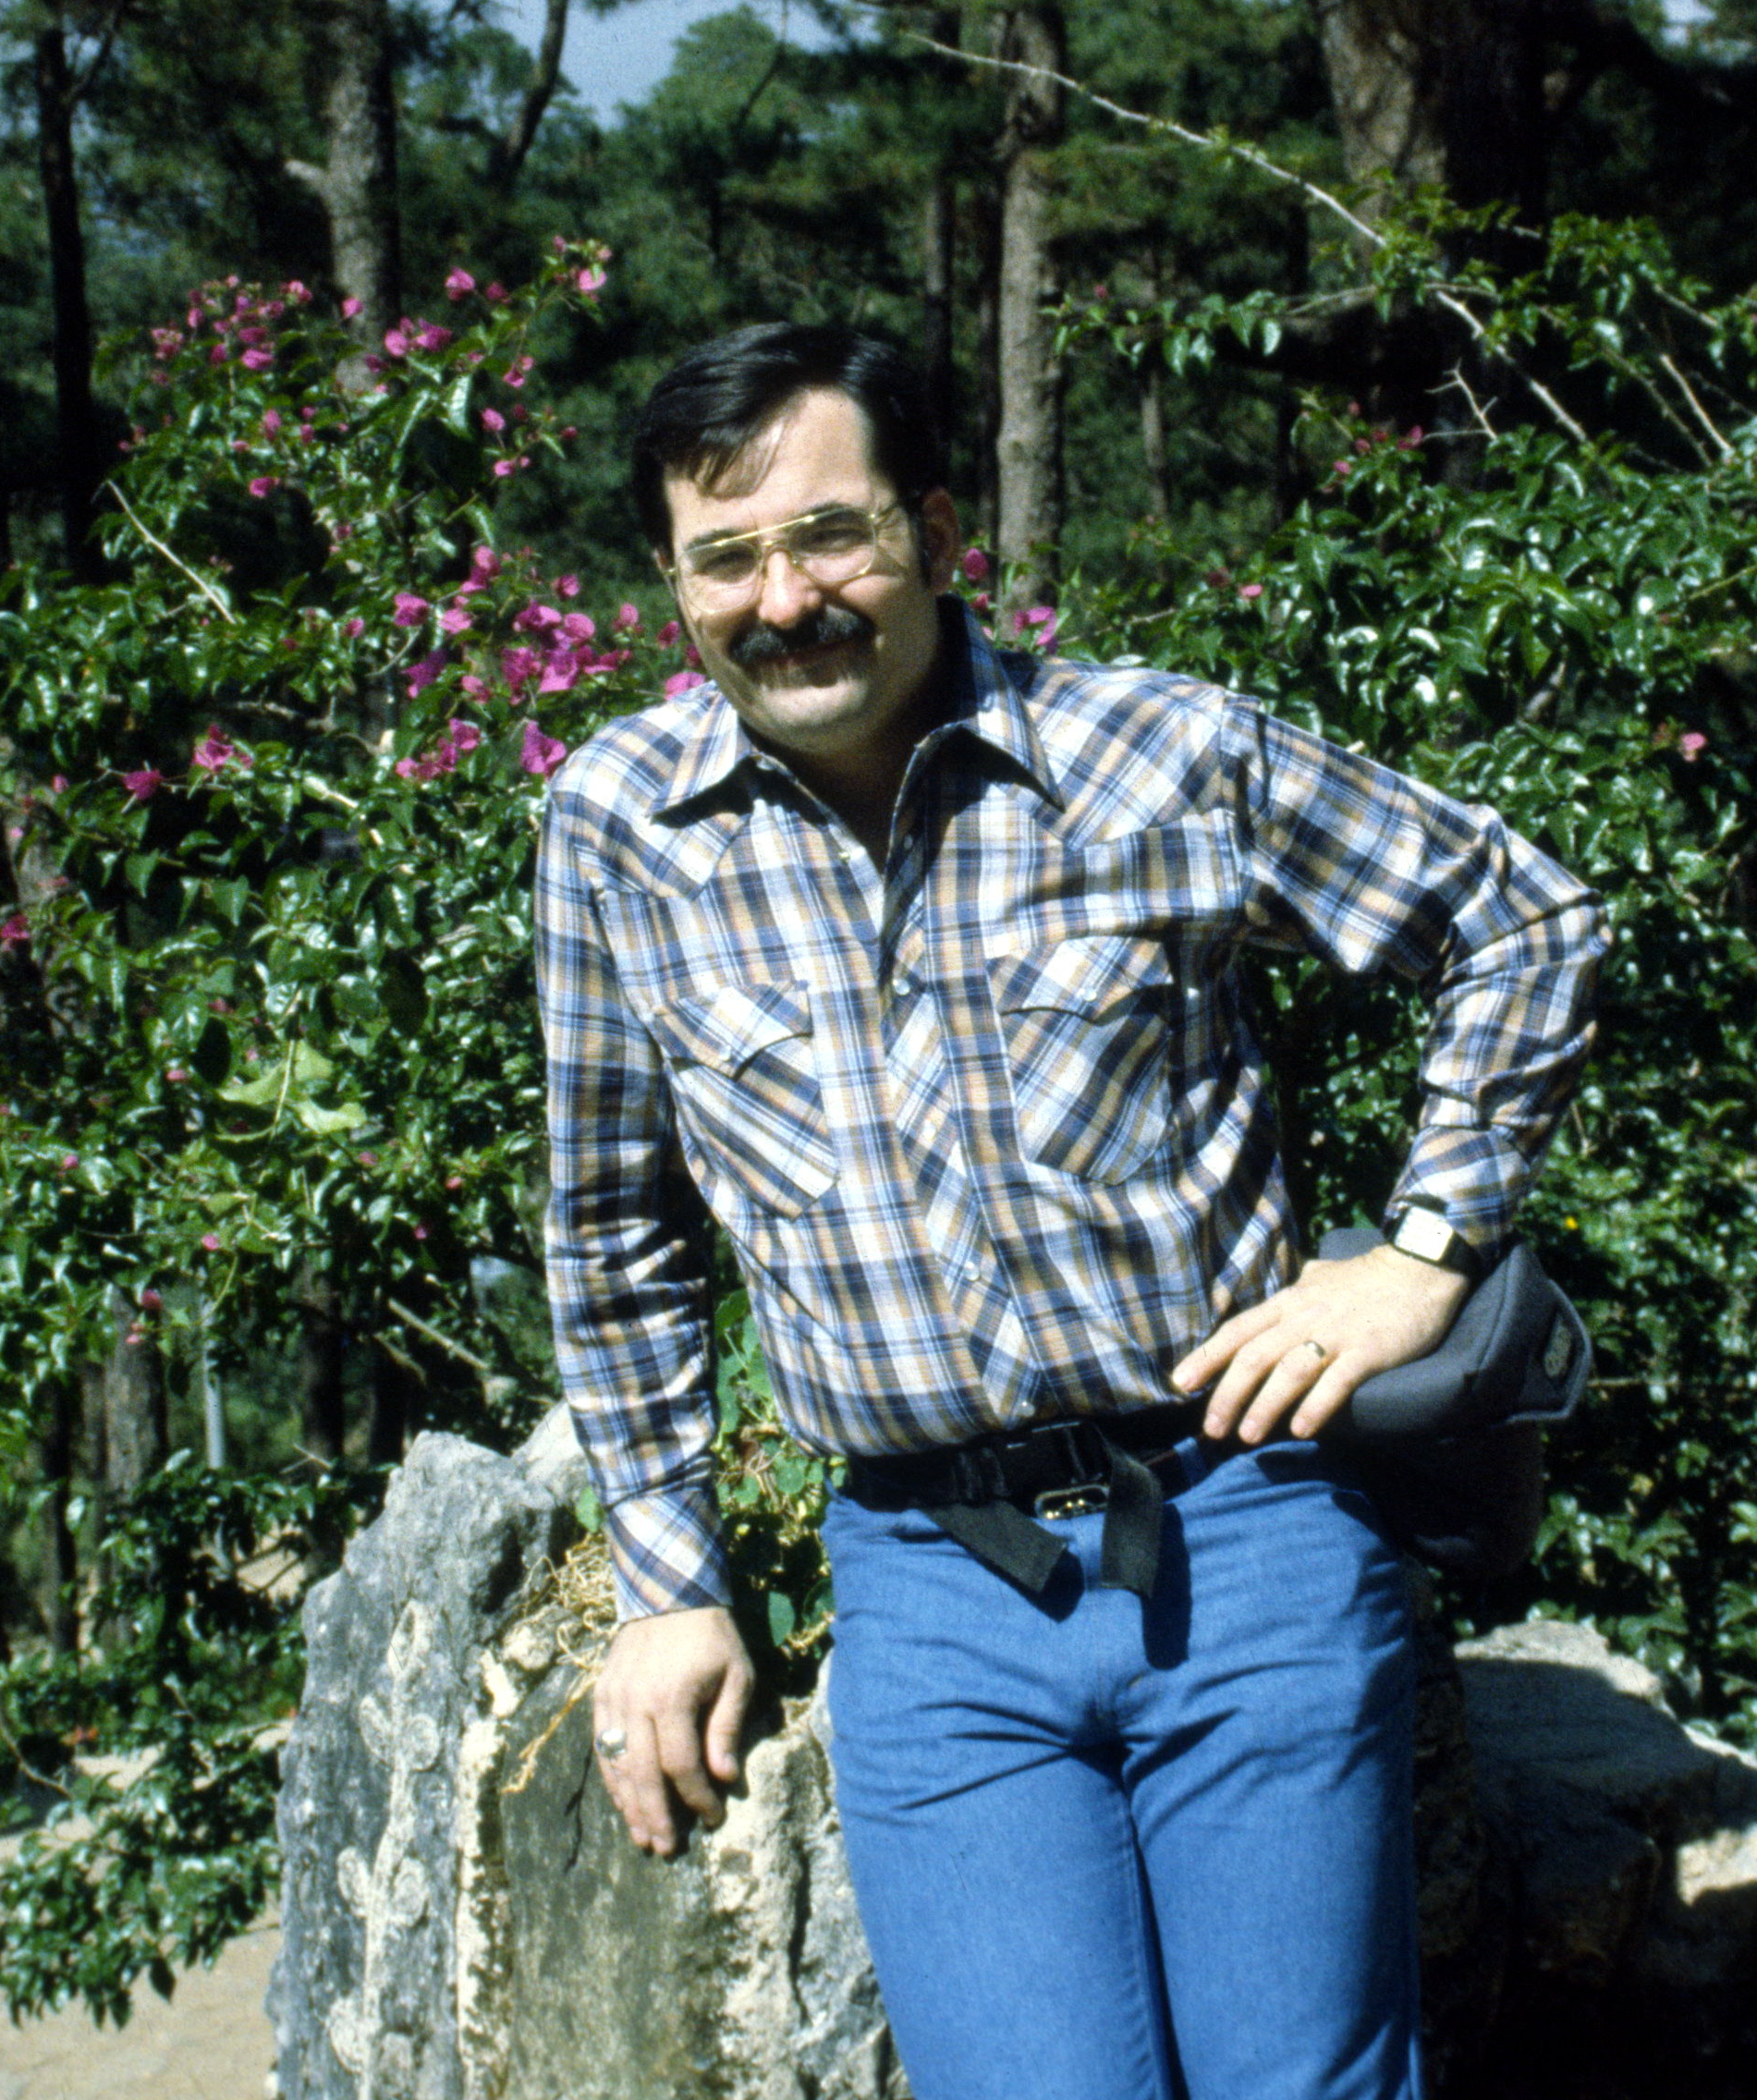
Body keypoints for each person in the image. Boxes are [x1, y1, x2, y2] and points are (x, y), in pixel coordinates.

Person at [533, 323, 1604, 2100]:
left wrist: (1419, 1258)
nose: (780, 595)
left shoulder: (1146, 753)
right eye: (723, 556)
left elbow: (1520, 921)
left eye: (831, 535)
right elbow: (609, 1221)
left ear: (934, 529)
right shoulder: (615, 831)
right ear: (672, 578)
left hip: (1238, 1519)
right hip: (924, 1584)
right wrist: (665, 1578)